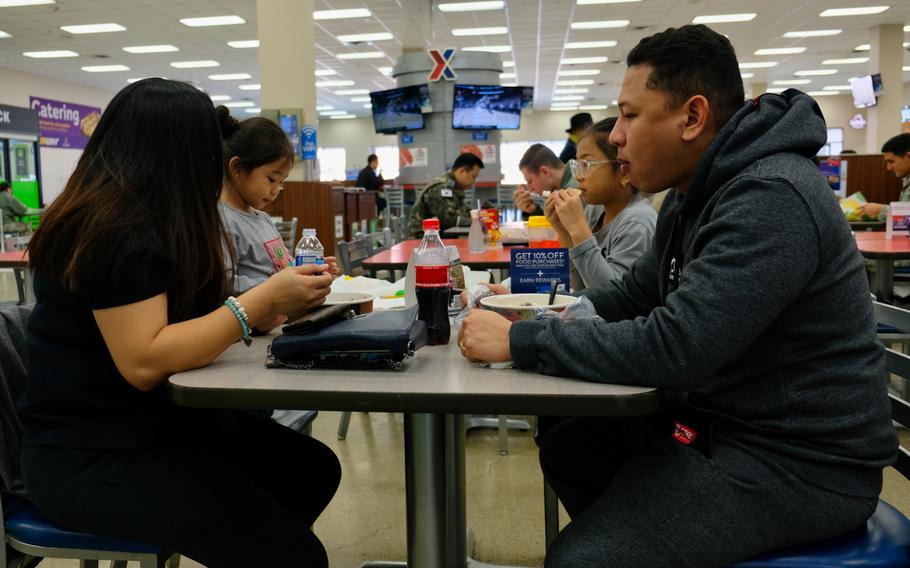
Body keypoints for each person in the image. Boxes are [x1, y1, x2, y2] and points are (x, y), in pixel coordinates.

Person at [459, 24, 897, 567]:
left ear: (692, 116)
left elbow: (679, 347)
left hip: (799, 463)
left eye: (630, 115)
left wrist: (523, 340)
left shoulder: (770, 195)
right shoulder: (696, 194)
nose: (614, 135)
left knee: (584, 559)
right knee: (573, 438)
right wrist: (543, 311)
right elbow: (635, 294)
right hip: (724, 425)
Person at [18, 79, 341, 568]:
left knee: (309, 469)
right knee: (292, 554)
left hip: (157, 424)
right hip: (93, 453)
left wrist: (275, 307)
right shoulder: (111, 231)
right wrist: (252, 307)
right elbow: (145, 361)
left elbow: (182, 323)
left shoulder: (154, 221)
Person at [217, 106, 338, 333]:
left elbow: (283, 267)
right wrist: (274, 292)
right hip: (250, 336)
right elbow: (223, 288)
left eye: (281, 182)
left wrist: (311, 271)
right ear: (237, 168)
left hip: (278, 327)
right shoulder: (223, 221)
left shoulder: (262, 218)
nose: (276, 190)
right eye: (272, 179)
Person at [545, 117, 656, 290]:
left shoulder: (636, 222)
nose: (579, 176)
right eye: (577, 165)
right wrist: (564, 232)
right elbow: (582, 286)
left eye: (587, 164)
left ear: (625, 174)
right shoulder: (595, 210)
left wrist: (577, 228)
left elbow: (614, 299)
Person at [407, 152, 483, 238]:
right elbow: (448, 220)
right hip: (422, 241)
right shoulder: (441, 188)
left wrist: (478, 216)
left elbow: (463, 212)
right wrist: (475, 221)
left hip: (437, 238)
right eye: (473, 176)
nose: (473, 181)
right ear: (462, 171)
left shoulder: (455, 188)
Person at [513, 143, 580, 218]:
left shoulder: (574, 191)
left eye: (530, 181)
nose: (530, 189)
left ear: (545, 172)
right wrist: (534, 209)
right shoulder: (572, 177)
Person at [855, 133, 910, 220]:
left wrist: (881, 210)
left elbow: (906, 218)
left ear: (908, 156)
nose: (888, 168)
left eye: (891, 161)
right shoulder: (907, 179)